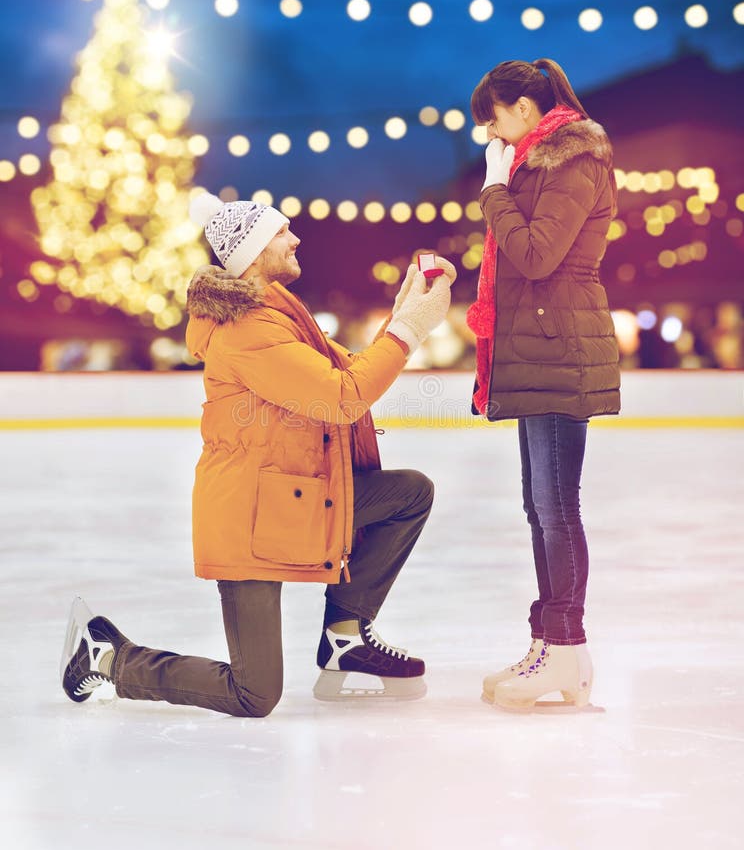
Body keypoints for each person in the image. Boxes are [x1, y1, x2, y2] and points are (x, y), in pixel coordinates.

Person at [61, 192, 455, 716]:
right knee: (255, 693)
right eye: (282, 232)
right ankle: (109, 657)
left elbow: (350, 371)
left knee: (408, 494)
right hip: (248, 517)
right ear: (251, 252)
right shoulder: (247, 329)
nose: (295, 239)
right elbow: (342, 398)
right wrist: (411, 330)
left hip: (290, 497)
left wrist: (406, 310)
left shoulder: (278, 316)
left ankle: (345, 637)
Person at [467, 59, 620, 712]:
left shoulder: (575, 160)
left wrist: (495, 194)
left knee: (557, 508)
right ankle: (556, 648)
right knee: (541, 507)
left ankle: (564, 648)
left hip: (561, 350)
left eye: (493, 120)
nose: (490, 136)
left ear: (524, 110)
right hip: (539, 348)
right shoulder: (541, 164)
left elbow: (535, 256)